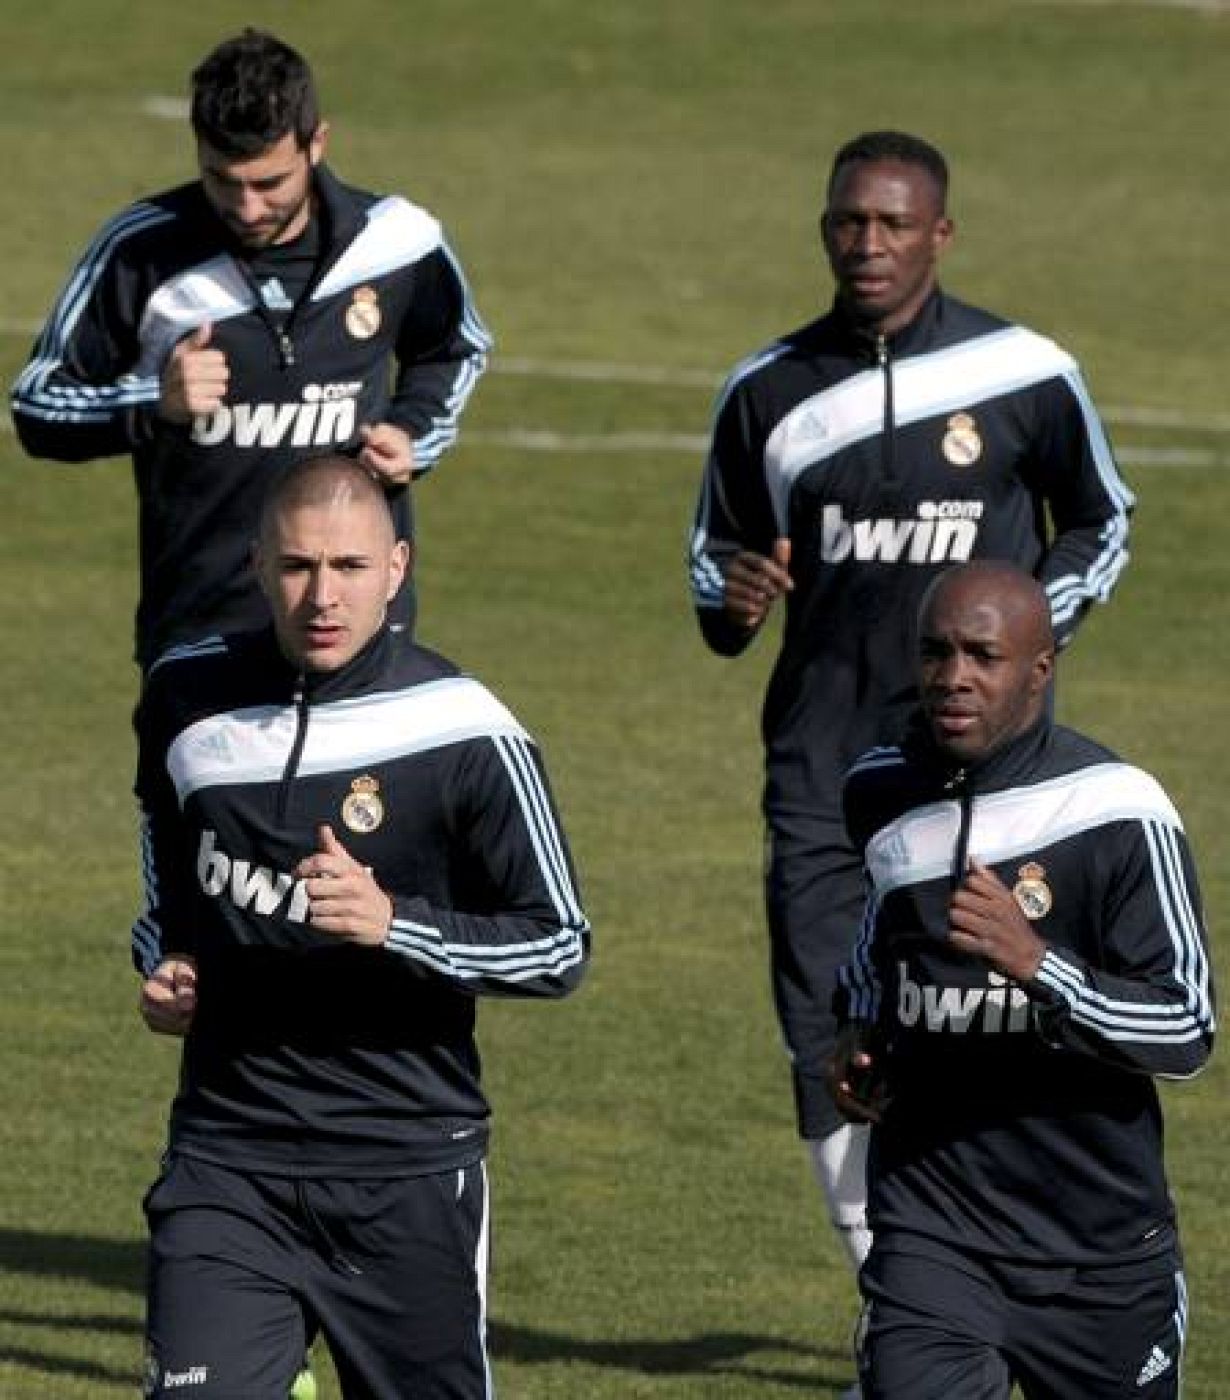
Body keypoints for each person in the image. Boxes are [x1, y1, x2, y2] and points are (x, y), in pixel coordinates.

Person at [686, 130, 1134, 1303]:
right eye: (847, 222)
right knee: (825, 1038)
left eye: (892, 224)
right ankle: (908, 1308)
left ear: (941, 232)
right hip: (828, 773)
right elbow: (714, 570)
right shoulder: (767, 392)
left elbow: (1104, 517)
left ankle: (1040, 1287)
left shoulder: (1025, 371)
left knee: (994, 1020)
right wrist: (733, 595)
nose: (867, 245)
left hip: (993, 780)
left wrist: (1039, 620)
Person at [133, 455, 589, 1399]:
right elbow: (168, 873)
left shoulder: (466, 729)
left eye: (349, 567)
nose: (321, 597)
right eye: (298, 567)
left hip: (405, 1170)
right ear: (257, 565)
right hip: (229, 1153)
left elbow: (559, 942)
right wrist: (167, 958)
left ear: (397, 568)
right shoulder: (185, 698)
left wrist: (395, 926)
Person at [831, 560, 1214, 1399]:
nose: (952, 678)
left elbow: (1185, 1029)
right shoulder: (880, 787)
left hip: (1100, 1253)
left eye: (981, 656)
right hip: (935, 1230)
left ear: (1041, 668)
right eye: (935, 653)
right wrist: (860, 1029)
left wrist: (1039, 966)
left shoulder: (1118, 812)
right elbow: (877, 931)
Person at [11, 27, 490, 670]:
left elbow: (455, 346)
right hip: (201, 635)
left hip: (360, 632)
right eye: (222, 180)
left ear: (316, 142)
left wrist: (415, 434)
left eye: (270, 182)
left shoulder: (396, 243)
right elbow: (38, 407)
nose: (246, 206)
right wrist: (156, 401)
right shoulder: (140, 251)